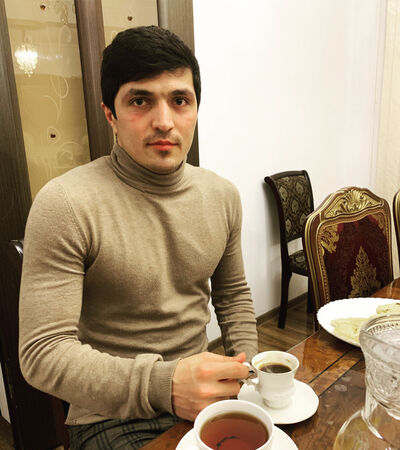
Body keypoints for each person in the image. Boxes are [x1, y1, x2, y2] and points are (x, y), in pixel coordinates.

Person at [19, 25, 258, 449]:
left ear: (195, 108)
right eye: (139, 101)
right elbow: (43, 352)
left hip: (207, 392)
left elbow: (233, 295)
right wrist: (166, 384)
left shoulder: (222, 195)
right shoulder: (66, 204)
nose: (164, 121)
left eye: (179, 100)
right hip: (111, 413)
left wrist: (249, 370)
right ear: (110, 114)